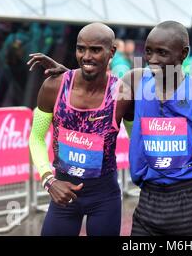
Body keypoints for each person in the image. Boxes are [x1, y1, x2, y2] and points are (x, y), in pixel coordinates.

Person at [27, 22, 192, 236]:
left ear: (183, 54)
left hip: (191, 198)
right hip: (149, 198)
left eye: (162, 53)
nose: (153, 59)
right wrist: (71, 74)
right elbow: (94, 82)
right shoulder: (134, 81)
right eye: (148, 52)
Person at [28, 23, 123, 236]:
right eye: (81, 49)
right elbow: (36, 138)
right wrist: (48, 180)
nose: (86, 56)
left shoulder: (122, 94)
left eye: (96, 50)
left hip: (104, 198)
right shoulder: (54, 86)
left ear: (112, 52)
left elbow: (140, 139)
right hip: (62, 195)